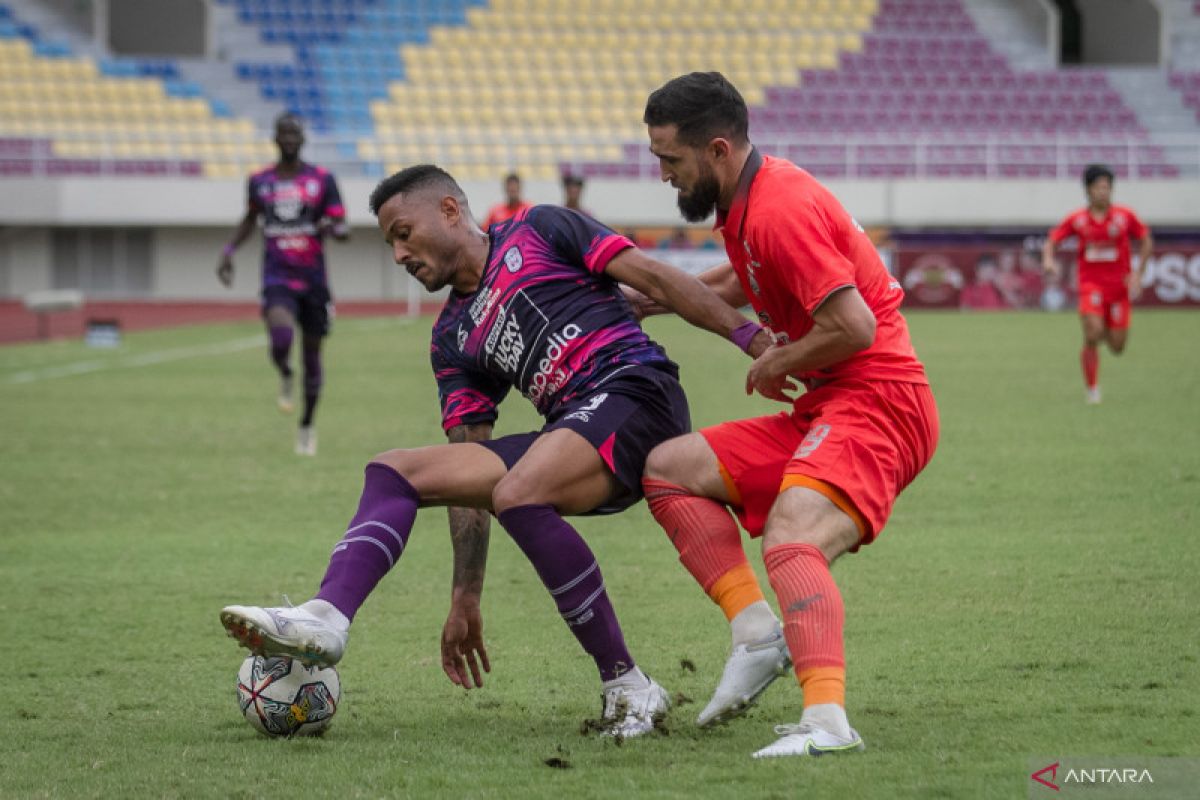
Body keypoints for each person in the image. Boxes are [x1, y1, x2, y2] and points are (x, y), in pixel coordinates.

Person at [218, 164, 767, 738]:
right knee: (395, 471)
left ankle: (628, 687)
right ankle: (327, 618)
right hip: (573, 430)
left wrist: (750, 339)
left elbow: (654, 277)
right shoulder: (451, 338)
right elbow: (468, 469)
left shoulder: (542, 229)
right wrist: (466, 595)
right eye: (389, 244)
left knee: (519, 491)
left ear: (450, 211)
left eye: (403, 233)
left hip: (640, 394)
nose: (399, 255)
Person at [634, 72, 939, 759]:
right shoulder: (752, 201)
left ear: (716, 150)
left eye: (670, 161)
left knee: (792, 537)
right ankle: (756, 634)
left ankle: (827, 722)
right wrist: (652, 298)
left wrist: (776, 359)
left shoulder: (778, 208)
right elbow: (748, 276)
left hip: (879, 404)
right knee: (670, 469)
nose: (663, 176)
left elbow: (854, 326)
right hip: (834, 403)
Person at [217, 113, 349, 455]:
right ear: (275, 138)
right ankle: (284, 369)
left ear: (302, 139)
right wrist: (229, 250)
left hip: (315, 281)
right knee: (281, 337)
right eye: (283, 133)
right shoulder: (259, 181)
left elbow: (339, 222)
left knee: (313, 357)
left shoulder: (322, 179)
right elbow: (250, 218)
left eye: (295, 133)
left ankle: (306, 424)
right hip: (277, 276)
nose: (289, 138)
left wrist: (334, 230)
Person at [1042, 164, 1153, 405]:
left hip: (1118, 289)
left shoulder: (1125, 216)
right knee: (1092, 333)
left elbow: (1145, 240)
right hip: (1090, 286)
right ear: (1088, 190)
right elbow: (1051, 241)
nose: (1103, 192)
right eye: (1098, 187)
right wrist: (1049, 261)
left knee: (1117, 346)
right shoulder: (1078, 219)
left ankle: (1102, 330)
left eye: (1107, 187)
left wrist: (1138, 273)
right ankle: (1092, 389)